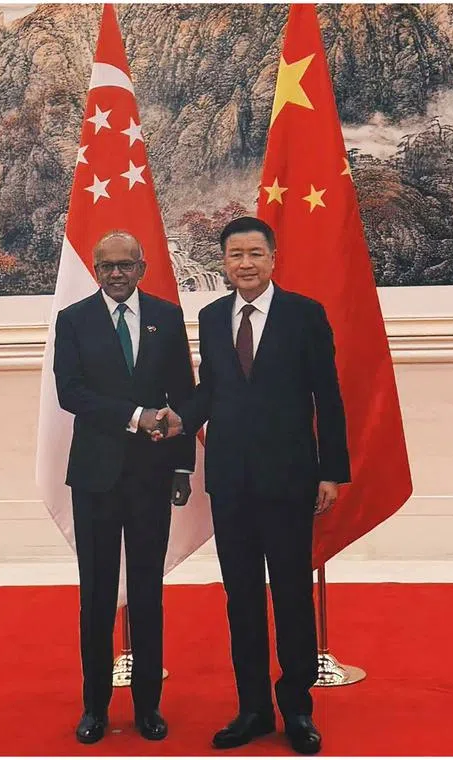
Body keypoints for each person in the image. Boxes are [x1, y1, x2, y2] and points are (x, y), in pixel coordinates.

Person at [156, 216, 349, 755]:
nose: (245, 263)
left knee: (290, 595)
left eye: (255, 254)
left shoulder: (305, 315)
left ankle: (298, 710)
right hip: (231, 482)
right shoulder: (213, 317)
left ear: (273, 258)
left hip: (290, 479)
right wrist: (177, 420)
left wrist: (330, 470)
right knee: (240, 598)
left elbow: (327, 398)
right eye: (235, 254)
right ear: (224, 262)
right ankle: (253, 709)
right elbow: (211, 390)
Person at [53, 230, 195, 744]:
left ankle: (147, 708)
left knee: (147, 593)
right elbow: (70, 393)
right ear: (94, 269)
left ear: (143, 267)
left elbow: (182, 393)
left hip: (152, 477)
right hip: (94, 478)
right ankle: (94, 707)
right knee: (96, 595)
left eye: (125, 265)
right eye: (106, 266)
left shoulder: (167, 316)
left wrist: (182, 469)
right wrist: (135, 416)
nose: (115, 274)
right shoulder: (73, 321)